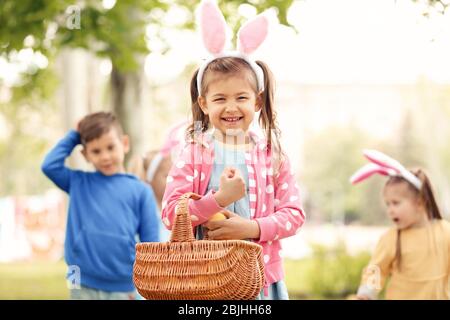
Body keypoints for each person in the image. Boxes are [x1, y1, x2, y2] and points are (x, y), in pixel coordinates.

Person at [161, 0, 306, 300]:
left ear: (256, 101)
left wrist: (252, 228)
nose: (231, 107)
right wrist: (218, 200)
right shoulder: (194, 153)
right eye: (219, 99)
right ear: (204, 103)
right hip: (205, 278)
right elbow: (171, 215)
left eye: (241, 97)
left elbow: (294, 215)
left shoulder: (273, 155)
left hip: (261, 278)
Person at [41, 111, 160, 300]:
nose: (105, 157)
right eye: (96, 151)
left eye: (111, 147)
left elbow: (151, 244)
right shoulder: (78, 182)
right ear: (85, 154)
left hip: (124, 283)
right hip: (78, 276)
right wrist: (74, 135)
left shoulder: (141, 191)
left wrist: (147, 283)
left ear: (125, 144)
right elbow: (49, 166)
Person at [350, 149, 450, 300]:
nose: (390, 210)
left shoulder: (445, 231)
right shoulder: (391, 238)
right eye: (388, 204)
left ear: (420, 201)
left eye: (395, 203)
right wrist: (366, 293)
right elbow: (377, 269)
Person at [127, 121, 188, 241]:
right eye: (167, 176)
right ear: (150, 179)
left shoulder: (175, 209)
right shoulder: (146, 209)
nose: (173, 181)